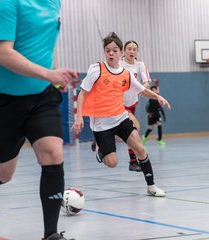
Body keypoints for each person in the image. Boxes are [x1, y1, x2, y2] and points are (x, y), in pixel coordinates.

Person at [0, 1, 77, 240]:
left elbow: (39, 45)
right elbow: (2, 53)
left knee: (53, 154)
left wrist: (53, 74)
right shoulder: (4, 3)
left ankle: (51, 234)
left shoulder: (54, 2)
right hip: (0, 101)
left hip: (41, 95)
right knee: (4, 173)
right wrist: (49, 73)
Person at [72, 32, 171, 197]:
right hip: (101, 123)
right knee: (112, 163)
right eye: (108, 50)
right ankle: (102, 152)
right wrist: (79, 116)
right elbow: (82, 93)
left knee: (139, 147)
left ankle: (151, 186)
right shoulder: (97, 69)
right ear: (104, 52)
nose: (111, 53)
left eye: (115, 50)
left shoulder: (126, 74)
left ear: (120, 53)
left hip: (120, 117)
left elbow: (142, 90)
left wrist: (157, 96)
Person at [120, 40, 151, 171]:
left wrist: (142, 89)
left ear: (137, 52)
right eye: (129, 49)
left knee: (129, 131)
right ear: (124, 51)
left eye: (134, 49)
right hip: (118, 103)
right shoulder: (119, 64)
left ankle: (102, 139)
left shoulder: (140, 65)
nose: (132, 51)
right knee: (133, 129)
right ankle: (133, 161)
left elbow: (146, 82)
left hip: (132, 102)